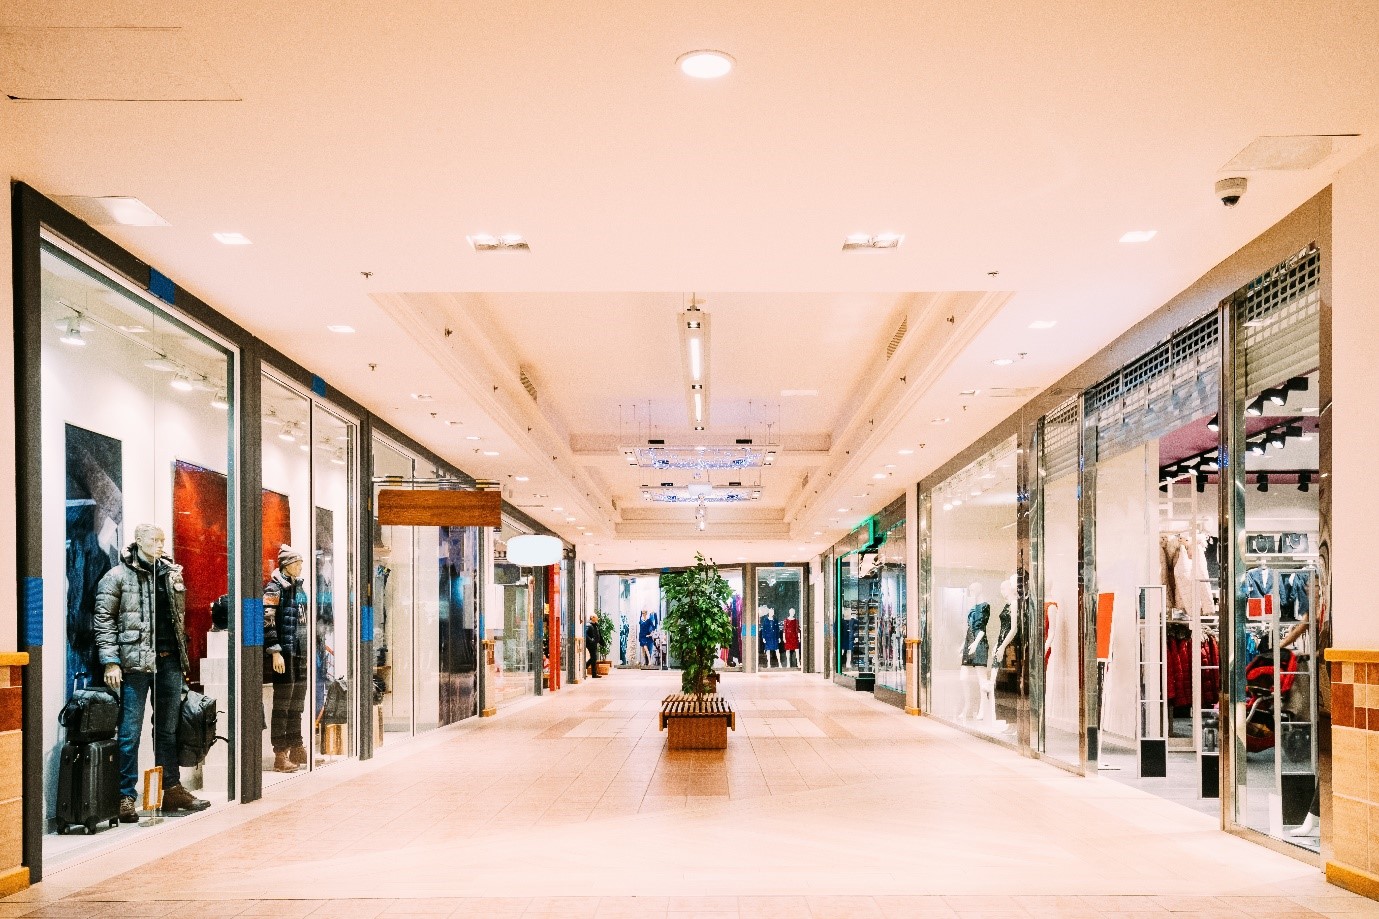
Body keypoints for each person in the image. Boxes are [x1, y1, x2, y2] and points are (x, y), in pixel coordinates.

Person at [94, 523, 211, 821]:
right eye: (154, 540)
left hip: (169, 662)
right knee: (130, 732)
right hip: (134, 665)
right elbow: (103, 620)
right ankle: (125, 795)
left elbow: (178, 620)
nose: (160, 544)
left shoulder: (171, 575)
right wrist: (111, 661)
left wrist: (183, 660)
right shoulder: (117, 577)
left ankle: (170, 789)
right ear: (138, 541)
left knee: (168, 730)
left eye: (162, 540)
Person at [584, 613, 602, 678]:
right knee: (594, 658)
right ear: (592, 618)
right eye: (596, 617)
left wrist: (601, 642)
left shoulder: (595, 625)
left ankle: (592, 673)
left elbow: (598, 634)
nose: (597, 618)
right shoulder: (588, 625)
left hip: (594, 644)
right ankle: (593, 673)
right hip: (591, 644)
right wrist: (591, 641)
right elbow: (585, 634)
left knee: (593, 658)